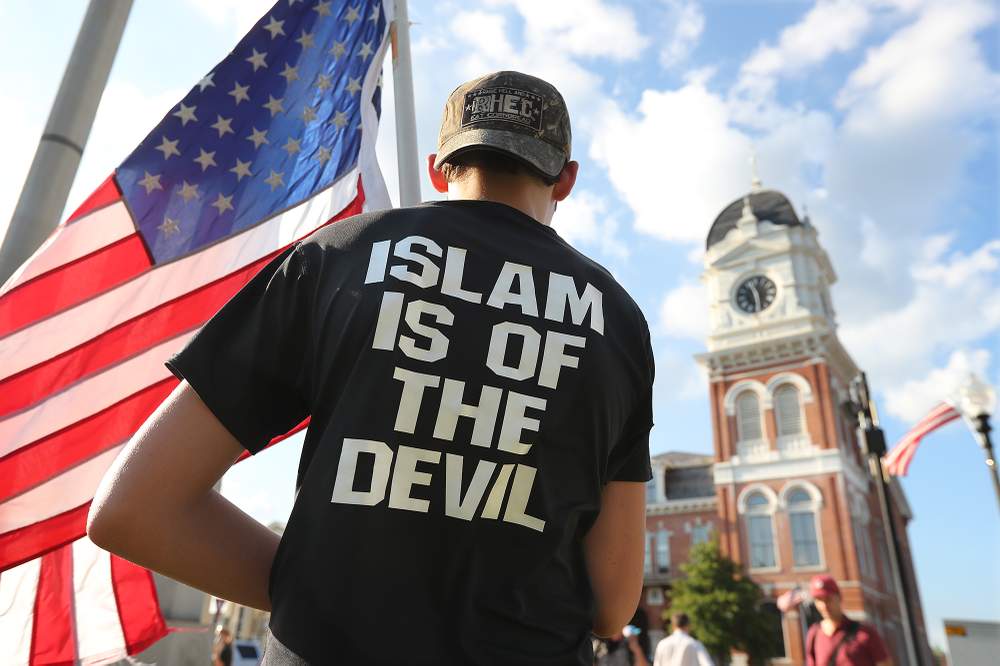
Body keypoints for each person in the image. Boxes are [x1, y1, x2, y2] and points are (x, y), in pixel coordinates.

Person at [87, 70, 654, 665]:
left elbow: (134, 509)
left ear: (440, 168)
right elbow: (613, 605)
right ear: (565, 179)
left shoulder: (340, 254)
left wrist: (322, 592)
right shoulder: (618, 320)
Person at [806, 575, 892, 666]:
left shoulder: (866, 633)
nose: (824, 606)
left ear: (839, 597)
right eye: (819, 600)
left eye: (828, 599)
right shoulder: (814, 634)